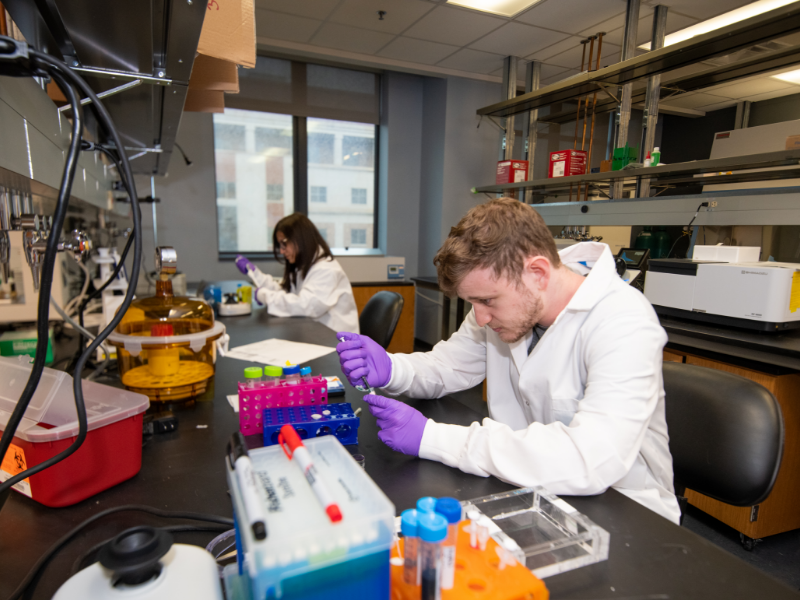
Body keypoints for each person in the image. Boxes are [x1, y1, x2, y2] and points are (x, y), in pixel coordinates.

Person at [337, 198, 680, 524]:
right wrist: (392, 367)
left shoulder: (623, 321)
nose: (481, 318)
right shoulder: (505, 304)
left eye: (487, 300)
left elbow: (589, 459)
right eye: (474, 302)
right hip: (526, 487)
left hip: (624, 514)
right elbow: (449, 366)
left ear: (538, 273)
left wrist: (433, 438)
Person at [235, 213, 359, 333]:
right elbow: (286, 292)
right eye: (280, 245)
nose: (282, 251)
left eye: (284, 243)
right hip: (318, 334)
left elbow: (306, 306)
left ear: (300, 239)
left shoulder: (326, 270)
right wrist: (254, 273)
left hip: (340, 344)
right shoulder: (304, 265)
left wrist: (265, 296)